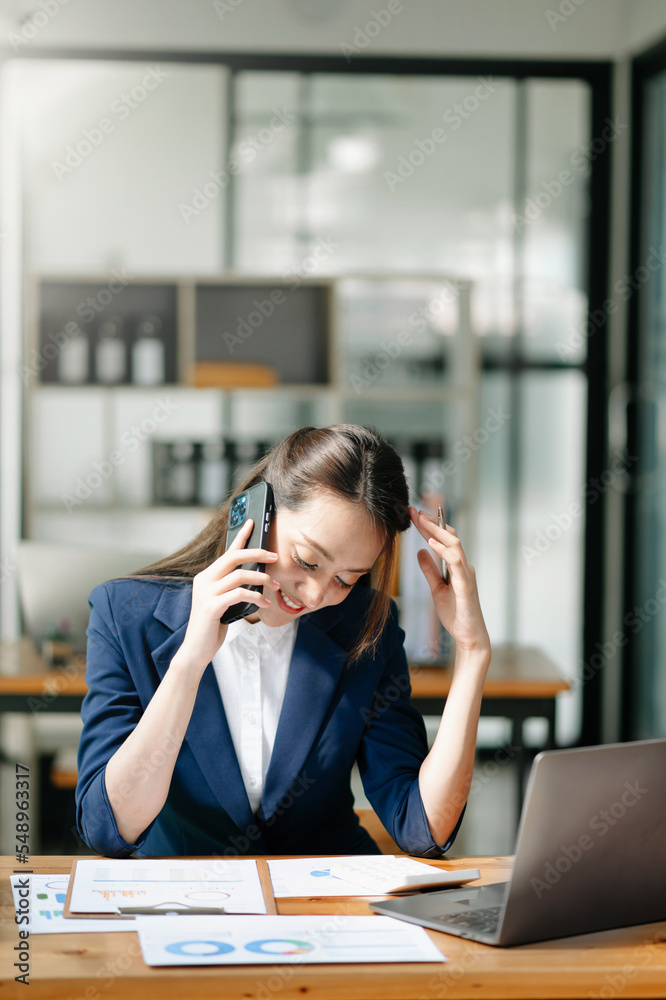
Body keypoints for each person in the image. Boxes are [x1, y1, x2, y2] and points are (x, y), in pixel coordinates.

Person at [75, 424, 491, 858]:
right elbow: (108, 828)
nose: (314, 596)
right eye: (306, 560)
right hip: (184, 900)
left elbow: (422, 827)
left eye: (346, 579)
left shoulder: (368, 628)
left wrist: (472, 651)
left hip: (326, 901)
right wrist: (189, 663)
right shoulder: (125, 613)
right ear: (257, 509)